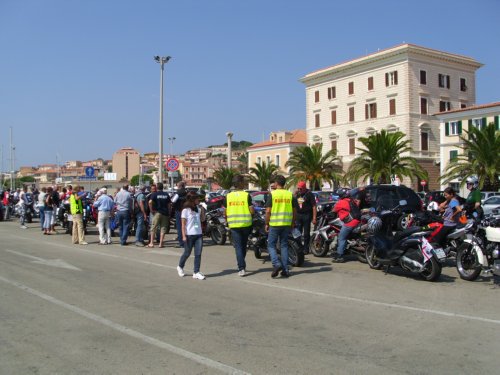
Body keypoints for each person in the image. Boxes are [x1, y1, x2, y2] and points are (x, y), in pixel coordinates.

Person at [265, 175, 297, 278]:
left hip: (274, 224)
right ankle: (285, 269)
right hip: (286, 224)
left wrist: (266, 223)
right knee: (284, 246)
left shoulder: (273, 194)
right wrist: (292, 222)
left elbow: (268, 211)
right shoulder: (290, 194)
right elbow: (294, 210)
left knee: (271, 245)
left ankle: (276, 263)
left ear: (276, 183)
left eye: (274, 182)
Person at [225, 175, 254, 276]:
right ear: (241, 183)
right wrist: (253, 213)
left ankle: (241, 268)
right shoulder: (246, 195)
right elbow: (251, 210)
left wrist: (227, 220)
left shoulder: (228, 196)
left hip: (234, 224)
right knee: (243, 245)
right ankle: (241, 265)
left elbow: (225, 211)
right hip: (246, 224)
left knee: (238, 247)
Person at [177, 192, 205, 280]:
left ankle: (196, 272)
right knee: (187, 253)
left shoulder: (198, 208)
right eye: (197, 198)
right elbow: (183, 225)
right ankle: (180, 266)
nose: (198, 200)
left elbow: (202, 219)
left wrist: (203, 210)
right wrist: (184, 236)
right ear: (192, 200)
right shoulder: (185, 211)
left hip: (198, 234)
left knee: (198, 254)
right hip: (189, 235)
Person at [331, 188, 362, 263]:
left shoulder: (341, 202)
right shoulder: (352, 200)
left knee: (341, 238)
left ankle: (340, 256)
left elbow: (333, 210)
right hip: (358, 221)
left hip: (350, 223)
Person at [147, 182, 172, 248]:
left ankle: (151, 243)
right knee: (163, 228)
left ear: (157, 187)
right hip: (165, 213)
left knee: (153, 227)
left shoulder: (154, 194)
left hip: (157, 213)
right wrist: (169, 213)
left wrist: (151, 210)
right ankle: (161, 243)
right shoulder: (166, 194)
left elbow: (150, 202)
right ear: (162, 187)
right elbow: (169, 205)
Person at [294, 181, 316, 254]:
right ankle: (299, 247)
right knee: (298, 233)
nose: (299, 190)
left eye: (301, 188)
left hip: (306, 215)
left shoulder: (309, 194)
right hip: (298, 215)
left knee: (306, 233)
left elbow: (314, 206)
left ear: (304, 187)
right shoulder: (298, 194)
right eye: (298, 188)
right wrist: (295, 194)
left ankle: (306, 248)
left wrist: (314, 217)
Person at [171, 181, 187, 248]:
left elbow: (173, 201)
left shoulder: (178, 193)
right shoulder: (186, 192)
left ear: (179, 186)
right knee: (186, 227)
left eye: (177, 186)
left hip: (179, 211)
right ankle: (187, 241)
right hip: (186, 211)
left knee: (180, 227)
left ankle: (181, 242)